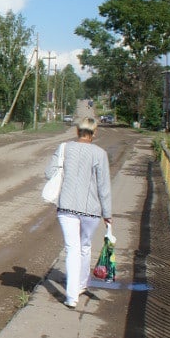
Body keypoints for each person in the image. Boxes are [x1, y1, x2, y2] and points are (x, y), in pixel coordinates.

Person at [45, 116, 112, 309]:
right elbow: (104, 187)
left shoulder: (64, 148)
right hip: (91, 210)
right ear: (94, 132)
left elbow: (49, 173)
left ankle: (71, 296)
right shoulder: (100, 154)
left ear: (77, 131)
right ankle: (82, 285)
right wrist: (108, 214)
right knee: (85, 246)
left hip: (66, 207)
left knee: (72, 248)